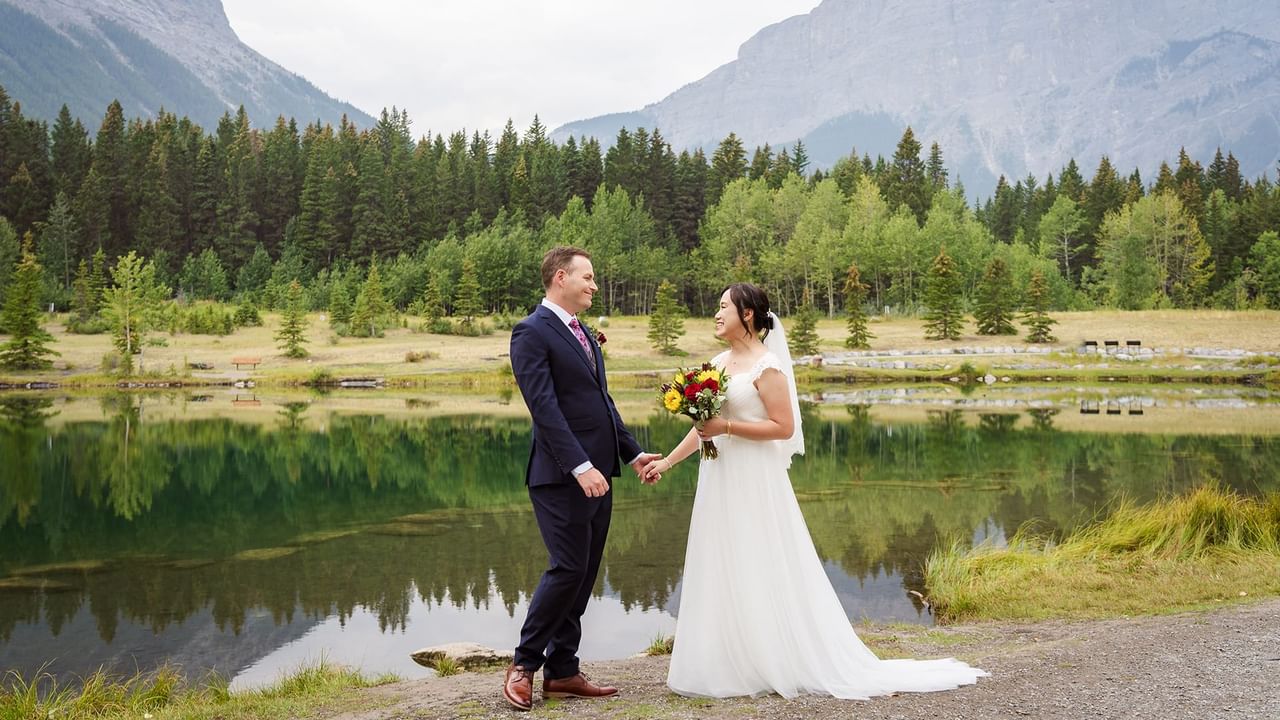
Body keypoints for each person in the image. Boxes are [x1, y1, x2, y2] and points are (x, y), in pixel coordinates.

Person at [643, 282, 987, 700]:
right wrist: (666, 462)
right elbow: (702, 430)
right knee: (721, 558)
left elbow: (782, 428)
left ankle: (772, 659)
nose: (716, 315)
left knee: (758, 558)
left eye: (722, 308)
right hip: (719, 481)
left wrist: (726, 427)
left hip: (755, 481)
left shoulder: (766, 367)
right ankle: (727, 661)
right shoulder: (718, 363)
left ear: (747, 314)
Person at [503, 246, 663, 711]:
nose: (594, 285)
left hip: (600, 473)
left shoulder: (585, 336)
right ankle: (524, 664)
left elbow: (602, 403)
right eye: (587, 277)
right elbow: (545, 410)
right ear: (560, 277)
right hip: (560, 476)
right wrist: (579, 466)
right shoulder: (530, 332)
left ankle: (563, 671)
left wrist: (630, 453)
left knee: (585, 573)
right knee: (567, 567)